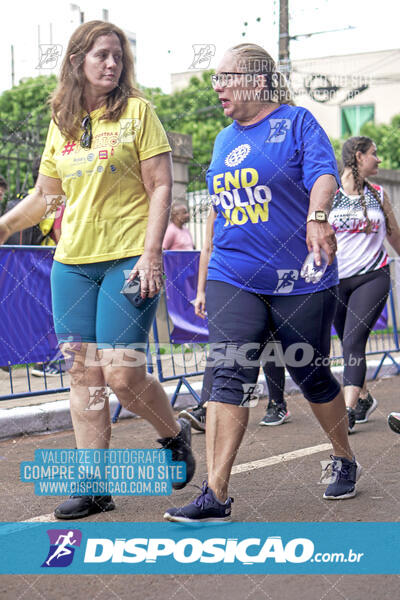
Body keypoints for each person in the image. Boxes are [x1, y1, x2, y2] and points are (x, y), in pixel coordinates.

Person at [0, 20, 195, 519]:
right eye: (101, 56)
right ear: (77, 61)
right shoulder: (62, 123)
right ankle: (94, 486)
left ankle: (173, 435)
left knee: (123, 374)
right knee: (83, 373)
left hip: (130, 256)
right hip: (73, 264)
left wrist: (153, 254)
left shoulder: (137, 113)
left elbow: (160, 187)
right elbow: (46, 197)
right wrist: (4, 226)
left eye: (118, 57)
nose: (112, 64)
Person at [164, 43, 360, 523]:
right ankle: (216, 494)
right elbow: (219, 211)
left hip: (301, 276)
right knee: (229, 370)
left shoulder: (297, 123)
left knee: (310, 373)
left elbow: (324, 176)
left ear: (257, 81)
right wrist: (207, 278)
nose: (217, 88)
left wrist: (317, 218)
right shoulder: (222, 140)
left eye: (226, 77)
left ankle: (344, 455)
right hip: (234, 272)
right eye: (215, 78)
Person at [179, 213, 290, 430]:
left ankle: (277, 403)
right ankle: (206, 407)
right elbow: (207, 248)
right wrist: (200, 291)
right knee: (222, 345)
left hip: (266, 278)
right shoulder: (220, 200)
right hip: (229, 281)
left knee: (268, 342)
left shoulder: (263, 197)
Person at [329, 137, 400, 431]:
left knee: (354, 341)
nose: (379, 159)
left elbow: (395, 237)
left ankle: (347, 412)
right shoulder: (329, 195)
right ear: (359, 157)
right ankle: (365, 397)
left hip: (373, 276)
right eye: (374, 153)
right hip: (334, 281)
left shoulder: (380, 194)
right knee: (345, 344)